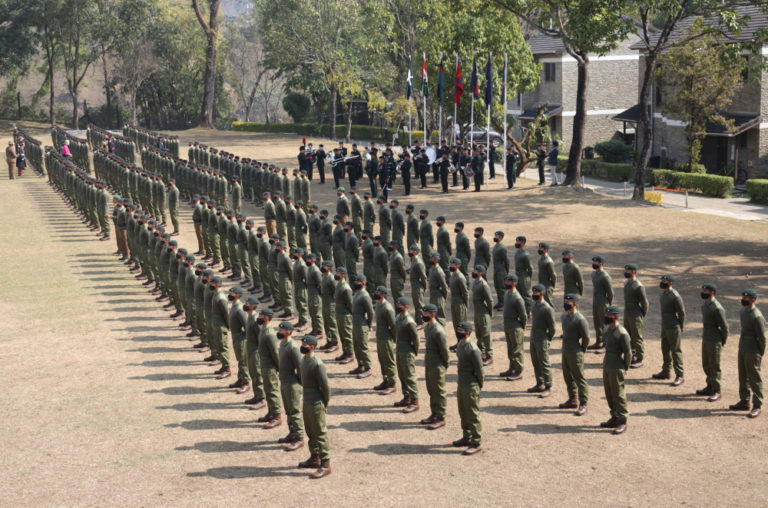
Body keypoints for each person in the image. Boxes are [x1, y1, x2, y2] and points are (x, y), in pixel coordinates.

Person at [298, 334, 331, 479]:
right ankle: (314, 457)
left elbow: (325, 387)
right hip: (307, 400)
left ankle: (325, 464)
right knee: (310, 430)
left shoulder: (317, 363)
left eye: (305, 345)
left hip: (316, 401)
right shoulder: (304, 359)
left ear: (312, 346)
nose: (302, 346)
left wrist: (324, 403)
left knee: (320, 432)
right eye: (302, 344)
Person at [730, 289, 765, 418]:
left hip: (752, 349)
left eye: (747, 298)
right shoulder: (743, 311)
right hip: (743, 347)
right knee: (743, 375)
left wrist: (760, 352)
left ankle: (757, 404)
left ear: (753, 300)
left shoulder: (757, 316)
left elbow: (761, 337)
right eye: (743, 297)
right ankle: (744, 401)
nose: (744, 299)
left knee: (754, 378)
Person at [453, 321, 483, 455]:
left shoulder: (473, 349)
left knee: (473, 414)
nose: (458, 332)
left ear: (468, 332)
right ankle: (467, 437)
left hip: (471, 384)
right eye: (458, 329)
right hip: (462, 383)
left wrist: (478, 385)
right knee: (463, 411)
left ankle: (476, 442)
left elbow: (479, 370)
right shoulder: (460, 344)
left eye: (461, 330)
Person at [653, 274, 686, 386]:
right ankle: (666, 371)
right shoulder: (663, 294)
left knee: (675, 350)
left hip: (673, 325)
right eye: (662, 280)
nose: (662, 282)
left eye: (665, 281)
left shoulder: (674, 296)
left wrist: (681, 326)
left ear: (671, 283)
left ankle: (680, 375)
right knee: (665, 348)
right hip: (665, 325)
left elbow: (681, 312)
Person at [697, 283, 728, 402]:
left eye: (706, 291)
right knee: (706, 363)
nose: (703, 292)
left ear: (712, 293)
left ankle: (717, 390)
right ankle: (710, 386)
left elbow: (724, 327)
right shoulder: (705, 304)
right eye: (703, 290)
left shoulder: (717, 307)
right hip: (706, 337)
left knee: (714, 365)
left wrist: (723, 340)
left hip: (715, 339)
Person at [560, 294, 590, 415]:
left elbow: (586, 337)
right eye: (565, 301)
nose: (566, 303)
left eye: (569, 301)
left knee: (579, 378)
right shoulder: (564, 317)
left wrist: (581, 349)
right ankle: (573, 399)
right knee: (568, 377)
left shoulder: (580, 319)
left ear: (575, 303)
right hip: (566, 350)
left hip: (575, 351)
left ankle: (583, 403)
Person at [277, 321, 305, 451]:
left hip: (291, 382)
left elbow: (300, 366)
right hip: (284, 380)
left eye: (281, 330)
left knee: (294, 410)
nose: (279, 332)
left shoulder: (292, 347)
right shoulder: (283, 343)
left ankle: (299, 437)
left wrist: (300, 382)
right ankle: (292, 433)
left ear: (288, 332)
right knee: (288, 410)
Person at [422, 304, 449, 429]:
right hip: (429, 361)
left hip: (437, 363)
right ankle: (434, 413)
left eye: (426, 313)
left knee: (439, 390)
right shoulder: (427, 327)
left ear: (432, 314)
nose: (424, 315)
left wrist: (445, 363)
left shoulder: (438, 330)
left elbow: (444, 350)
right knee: (431, 389)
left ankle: (441, 416)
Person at [528, 284, 556, 397]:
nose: (534, 294)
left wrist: (548, 338)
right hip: (534, 336)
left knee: (544, 362)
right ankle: (540, 383)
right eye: (533, 292)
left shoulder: (547, 308)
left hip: (542, 337)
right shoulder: (534, 305)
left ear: (542, 294)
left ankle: (548, 386)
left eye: (536, 293)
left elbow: (552, 327)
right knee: (535, 361)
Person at [257, 308, 282, 428]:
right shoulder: (263, 329)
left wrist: (278, 367)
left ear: (267, 317)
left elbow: (275, 353)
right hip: (264, 364)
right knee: (267, 390)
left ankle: (277, 416)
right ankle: (271, 412)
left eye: (261, 315)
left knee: (272, 390)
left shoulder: (269, 333)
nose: (259, 316)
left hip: (269, 366)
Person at [394, 297, 420, 413]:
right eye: (397, 304)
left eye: (400, 305)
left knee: (409, 376)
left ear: (406, 307)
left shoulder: (409, 321)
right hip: (399, 349)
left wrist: (414, 351)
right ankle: (406, 397)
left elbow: (415, 339)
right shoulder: (399, 317)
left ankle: (414, 401)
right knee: (402, 374)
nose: (397, 306)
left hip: (407, 351)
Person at [623, 263, 649, 368]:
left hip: (636, 314)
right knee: (628, 335)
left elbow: (644, 302)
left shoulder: (638, 286)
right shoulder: (626, 283)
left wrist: (642, 313)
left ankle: (640, 358)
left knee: (637, 337)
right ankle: (632, 355)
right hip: (627, 313)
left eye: (628, 271)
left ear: (634, 272)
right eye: (625, 270)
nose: (625, 272)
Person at [373, 286, 397, 395]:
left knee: (388, 360)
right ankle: (385, 380)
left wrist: (394, 338)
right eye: (376, 291)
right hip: (379, 336)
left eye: (378, 292)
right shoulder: (378, 304)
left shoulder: (388, 308)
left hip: (386, 337)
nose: (376, 293)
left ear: (383, 294)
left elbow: (393, 325)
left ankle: (392, 384)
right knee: (382, 359)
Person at [502, 274, 526, 381]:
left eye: (509, 281)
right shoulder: (507, 293)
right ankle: (511, 368)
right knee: (510, 348)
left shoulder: (517, 297)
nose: (507, 283)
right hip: (507, 325)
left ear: (514, 283)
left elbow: (523, 315)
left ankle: (518, 371)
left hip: (515, 326)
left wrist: (522, 326)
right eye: (506, 281)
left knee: (517, 350)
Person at [350, 274, 374, 379]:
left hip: (361, 323)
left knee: (363, 346)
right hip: (355, 321)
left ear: (363, 283)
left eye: (358, 281)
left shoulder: (365, 295)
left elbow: (370, 312)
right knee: (356, 345)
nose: (356, 283)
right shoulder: (357, 293)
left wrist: (369, 324)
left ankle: (368, 368)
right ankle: (360, 365)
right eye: (355, 281)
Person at [589, 255, 613, 353]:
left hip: (603, 301)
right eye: (593, 262)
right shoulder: (594, 274)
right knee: (596, 321)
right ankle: (599, 341)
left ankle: (606, 344)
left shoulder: (605, 276)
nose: (594, 264)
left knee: (604, 324)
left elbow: (610, 292)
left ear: (601, 264)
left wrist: (608, 303)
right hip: (596, 301)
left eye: (596, 262)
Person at [471, 265, 494, 366]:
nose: (474, 271)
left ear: (481, 273)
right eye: (474, 269)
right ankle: (481, 353)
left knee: (486, 334)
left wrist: (490, 311)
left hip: (483, 312)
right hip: (477, 312)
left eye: (477, 270)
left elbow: (489, 300)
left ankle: (490, 356)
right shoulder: (475, 282)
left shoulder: (483, 284)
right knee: (479, 333)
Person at [409, 245, 427, 326]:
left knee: (419, 305)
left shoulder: (418, 262)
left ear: (416, 252)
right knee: (416, 304)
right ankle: (417, 320)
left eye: (411, 250)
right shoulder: (414, 260)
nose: (410, 252)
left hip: (417, 285)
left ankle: (421, 322)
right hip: (414, 284)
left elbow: (423, 276)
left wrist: (424, 286)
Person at [514, 236, 533, 315]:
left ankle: (528, 311)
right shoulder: (517, 252)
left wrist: (528, 277)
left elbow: (530, 268)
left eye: (518, 242)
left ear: (523, 243)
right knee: (519, 294)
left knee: (526, 295)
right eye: (516, 241)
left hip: (524, 276)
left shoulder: (525, 254)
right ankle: (521, 310)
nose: (517, 243)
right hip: (517, 275)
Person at [492, 231, 510, 309]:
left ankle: (504, 304)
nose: (496, 237)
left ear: (501, 238)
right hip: (496, 269)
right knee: (497, 286)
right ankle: (500, 302)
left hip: (501, 270)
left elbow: (506, 261)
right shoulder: (496, 246)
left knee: (502, 287)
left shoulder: (502, 248)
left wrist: (506, 270)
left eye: (498, 236)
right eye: (495, 235)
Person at [537, 242, 556, 307]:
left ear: (546, 250)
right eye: (539, 248)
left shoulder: (548, 261)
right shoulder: (540, 259)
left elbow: (553, 275)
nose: (539, 249)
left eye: (541, 248)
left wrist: (553, 284)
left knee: (548, 304)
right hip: (541, 284)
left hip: (547, 285)